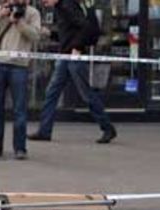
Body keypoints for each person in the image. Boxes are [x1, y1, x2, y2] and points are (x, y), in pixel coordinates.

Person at [28, 0, 117, 144]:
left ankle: (107, 127)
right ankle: (44, 130)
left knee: (85, 94)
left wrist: (77, 47)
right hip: (66, 55)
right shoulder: (61, 7)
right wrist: (51, 34)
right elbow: (69, 33)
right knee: (52, 92)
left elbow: (86, 27)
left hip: (73, 56)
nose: (44, 3)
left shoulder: (67, 6)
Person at [0, 0, 41, 160]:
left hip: (19, 65)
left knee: (19, 109)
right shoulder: (1, 9)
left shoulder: (32, 13)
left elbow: (35, 35)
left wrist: (19, 22)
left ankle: (20, 148)